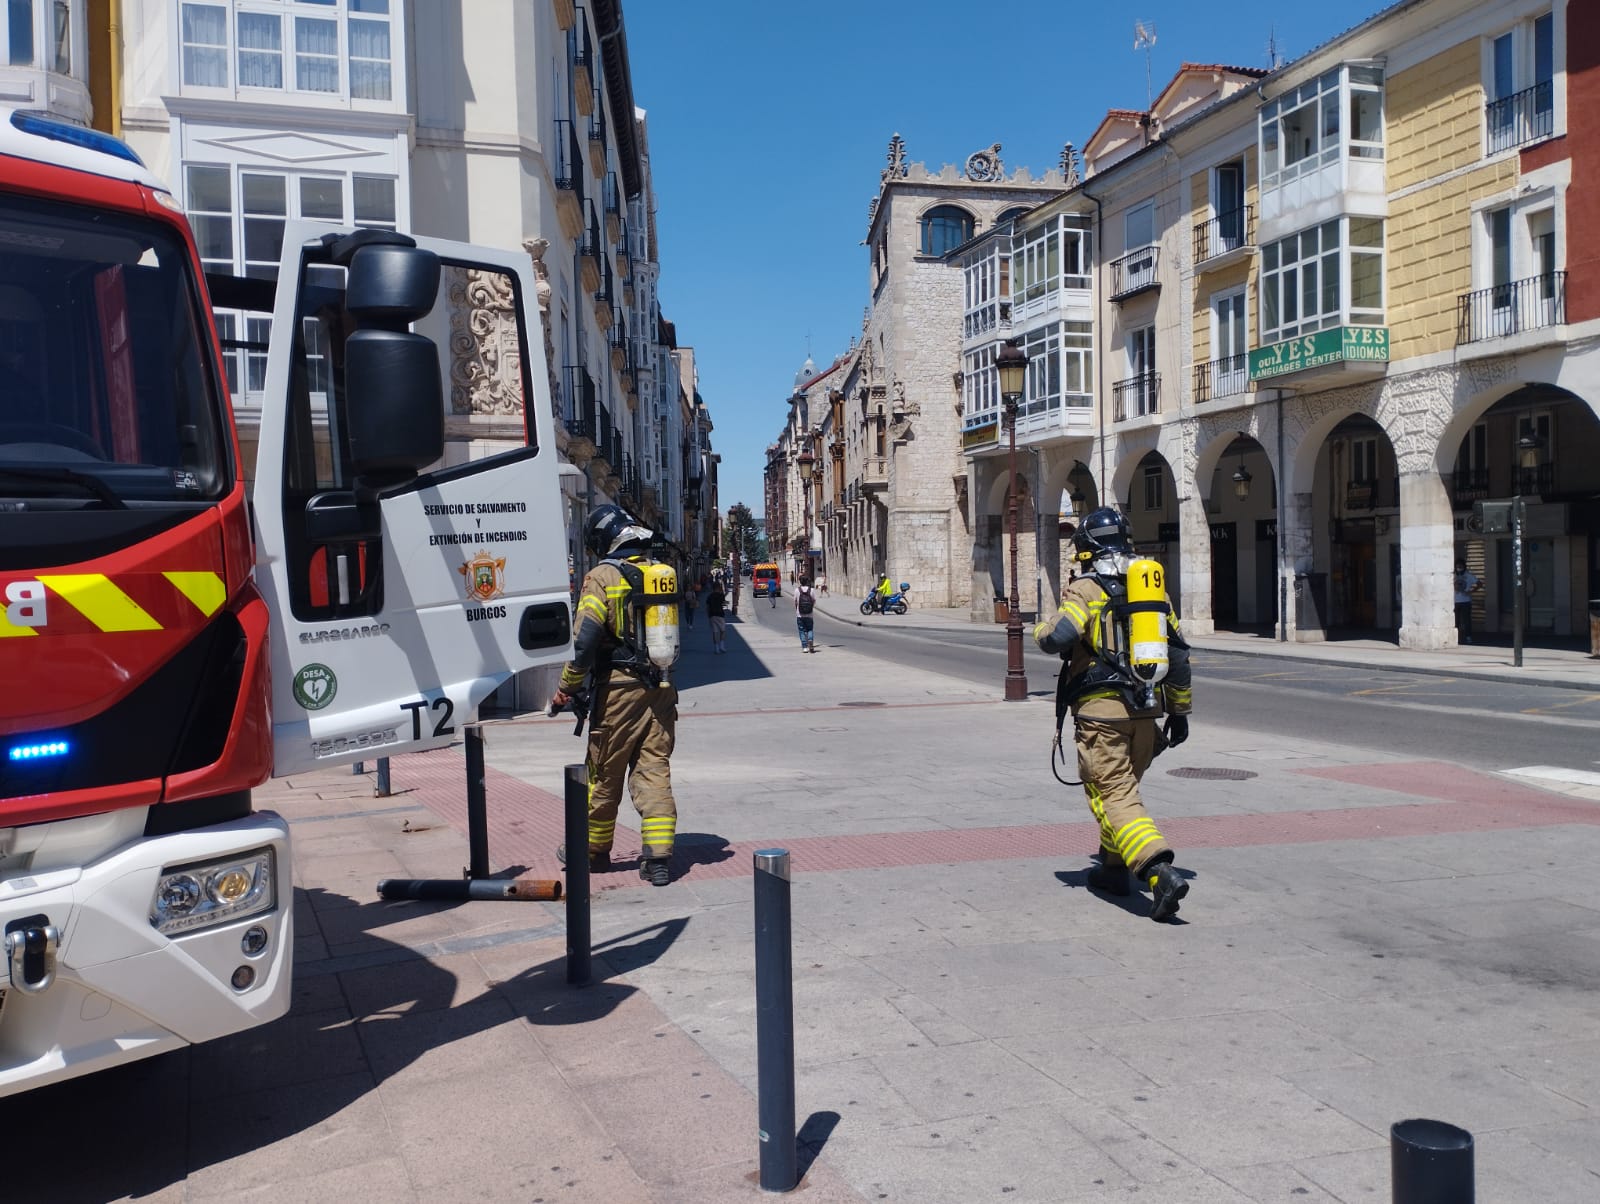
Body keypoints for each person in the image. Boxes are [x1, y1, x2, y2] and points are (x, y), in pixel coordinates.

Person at [1032, 508, 1194, 922]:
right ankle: (1112, 868)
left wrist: (1038, 628)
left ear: (1087, 548)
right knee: (1120, 793)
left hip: (1102, 715)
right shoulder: (1152, 592)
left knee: (1114, 796)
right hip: (1146, 714)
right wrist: (1179, 711)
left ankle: (1158, 871)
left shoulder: (1087, 587)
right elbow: (1176, 655)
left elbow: (1058, 637)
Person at [551, 505, 679, 887]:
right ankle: (657, 859)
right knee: (653, 769)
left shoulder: (602, 577)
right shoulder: (656, 572)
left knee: (603, 770)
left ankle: (592, 851)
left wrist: (565, 688)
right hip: (661, 687)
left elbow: (585, 640)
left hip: (619, 691)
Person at [1453, 560, 1480, 645]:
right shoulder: (1452, 575)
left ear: (1464, 567)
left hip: (1466, 601)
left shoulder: (1469, 576)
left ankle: (1468, 637)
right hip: (1455, 601)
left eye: (1460, 567)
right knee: (1455, 620)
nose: (1459, 569)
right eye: (1457, 567)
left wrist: (1471, 591)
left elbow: (1479, 584)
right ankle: (1455, 638)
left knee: (1466, 620)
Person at [794, 575, 818, 652]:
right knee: (809, 629)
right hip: (809, 614)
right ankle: (810, 640)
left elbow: (795, 602)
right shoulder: (811, 590)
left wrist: (797, 609)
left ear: (800, 581)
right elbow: (814, 600)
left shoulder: (797, 590)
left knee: (801, 630)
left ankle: (804, 647)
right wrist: (811, 607)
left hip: (800, 614)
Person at [706, 576, 728, 654]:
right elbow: (724, 603)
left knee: (715, 632)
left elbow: (707, 607)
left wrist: (708, 615)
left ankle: (716, 648)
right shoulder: (721, 595)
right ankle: (722, 645)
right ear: (718, 588)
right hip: (720, 614)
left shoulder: (709, 596)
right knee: (723, 631)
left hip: (712, 615)